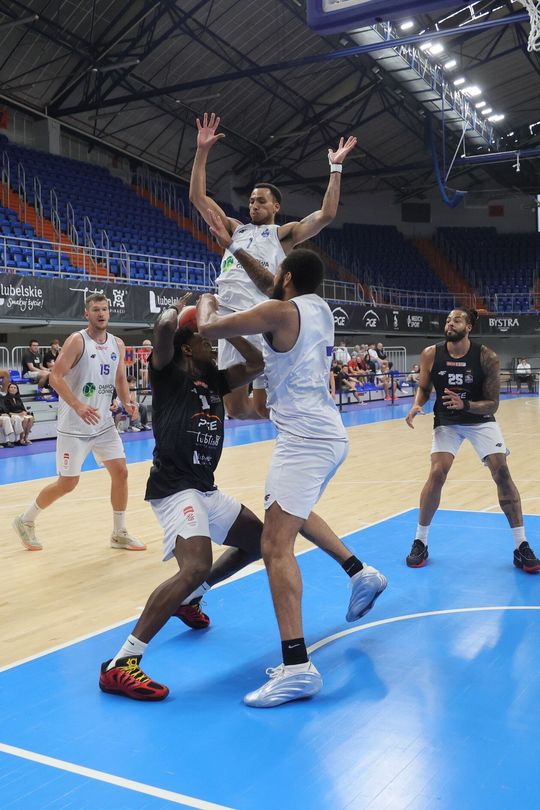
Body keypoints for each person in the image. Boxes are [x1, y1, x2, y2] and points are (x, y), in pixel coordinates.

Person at [99, 296, 377, 701]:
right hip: (175, 487)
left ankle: (191, 598)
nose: (211, 347)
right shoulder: (167, 371)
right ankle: (122, 663)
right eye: (204, 341)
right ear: (186, 345)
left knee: (260, 543)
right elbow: (164, 329)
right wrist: (181, 311)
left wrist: (230, 328)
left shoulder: (213, 376)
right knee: (195, 565)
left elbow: (257, 364)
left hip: (204, 488)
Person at [198, 246, 387, 708]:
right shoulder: (318, 310)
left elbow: (207, 327)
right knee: (290, 514)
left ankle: (298, 668)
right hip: (324, 433)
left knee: (274, 545)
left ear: (285, 279)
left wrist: (207, 301)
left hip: (305, 441)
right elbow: (255, 407)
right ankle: (360, 572)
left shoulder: (280, 312)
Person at [189, 111, 357, 420]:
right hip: (228, 316)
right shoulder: (234, 228)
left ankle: (303, 421)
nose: (254, 205)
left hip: (258, 318)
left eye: (261, 201)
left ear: (275, 206)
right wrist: (201, 151)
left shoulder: (282, 234)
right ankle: (294, 417)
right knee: (237, 409)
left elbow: (326, 215)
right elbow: (198, 197)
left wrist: (336, 167)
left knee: (264, 404)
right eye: (252, 200)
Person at [405, 308, 540, 573]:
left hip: (480, 419)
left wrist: (465, 404)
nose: (449, 324)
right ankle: (420, 541)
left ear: (468, 327)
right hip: (447, 420)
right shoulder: (431, 353)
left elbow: (493, 404)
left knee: (502, 472)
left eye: (456, 320)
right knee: (437, 473)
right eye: (447, 320)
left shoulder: (486, 357)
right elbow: (424, 387)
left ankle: (521, 545)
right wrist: (416, 404)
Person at [13, 294, 144, 552]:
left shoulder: (117, 343)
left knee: (121, 472)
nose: (101, 313)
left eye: (104, 309)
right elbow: (55, 377)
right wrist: (78, 405)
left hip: (103, 423)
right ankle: (25, 520)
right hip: (74, 425)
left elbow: (119, 378)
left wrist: (127, 401)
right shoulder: (77, 341)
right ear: (87, 314)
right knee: (68, 483)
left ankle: (119, 533)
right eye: (96, 309)